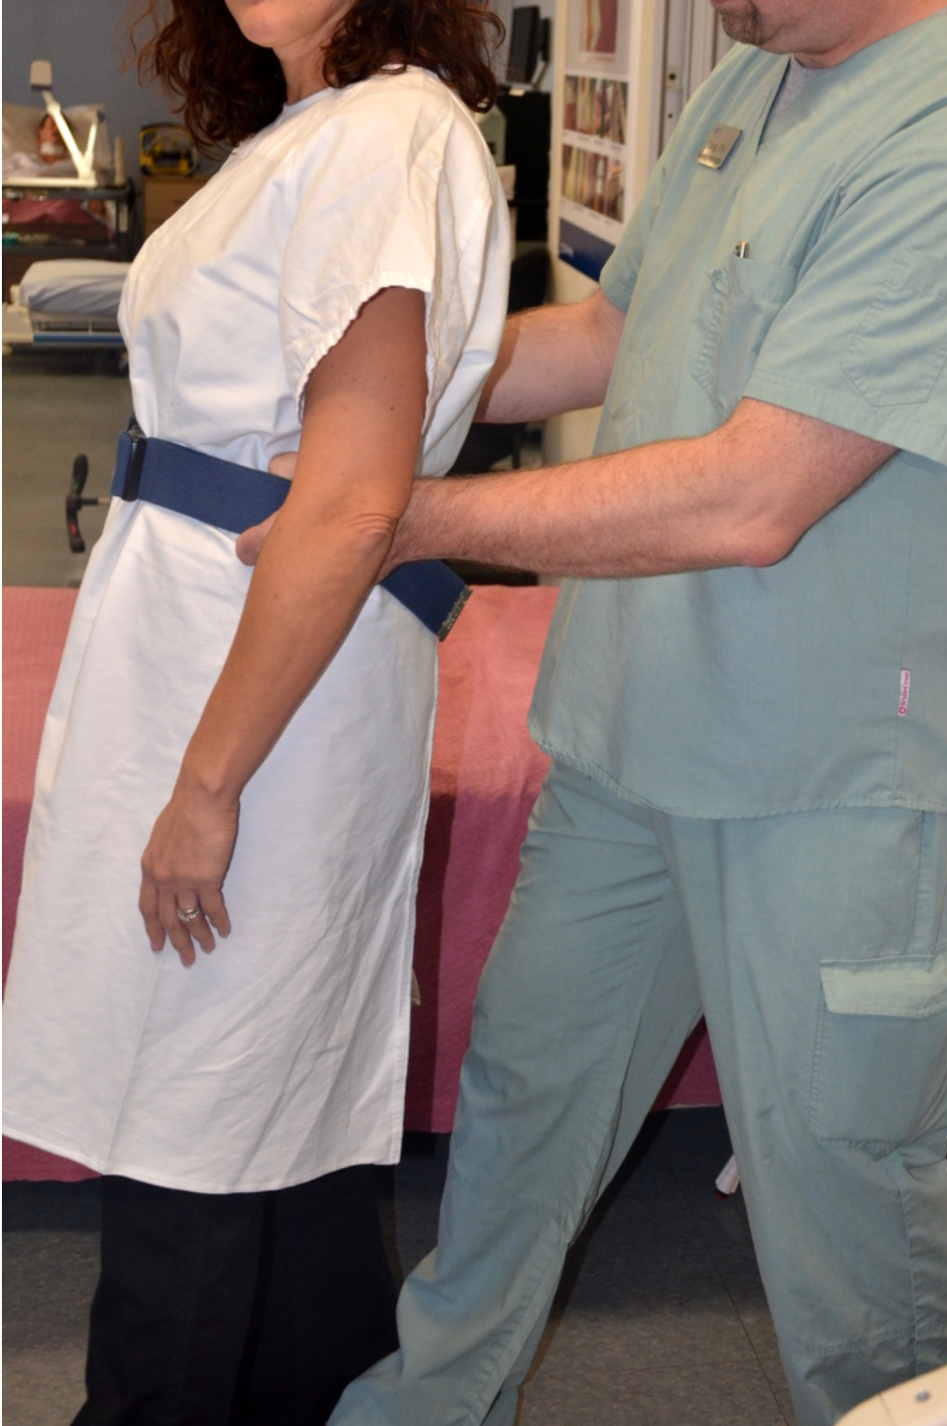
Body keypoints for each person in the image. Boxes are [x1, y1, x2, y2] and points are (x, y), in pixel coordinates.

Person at [220, 0, 947, 1420]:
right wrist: (373, 395)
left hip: (830, 771)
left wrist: (398, 513)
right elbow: (604, 335)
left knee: (841, 1210)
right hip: (637, 722)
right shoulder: (763, 74)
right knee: (524, 1098)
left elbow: (756, 494)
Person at [0, 0, 510, 1418]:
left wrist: (209, 782)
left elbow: (351, 499)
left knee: (199, 1113)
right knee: (274, 1108)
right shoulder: (312, 130)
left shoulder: (387, 131)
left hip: (266, 689)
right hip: (224, 653)